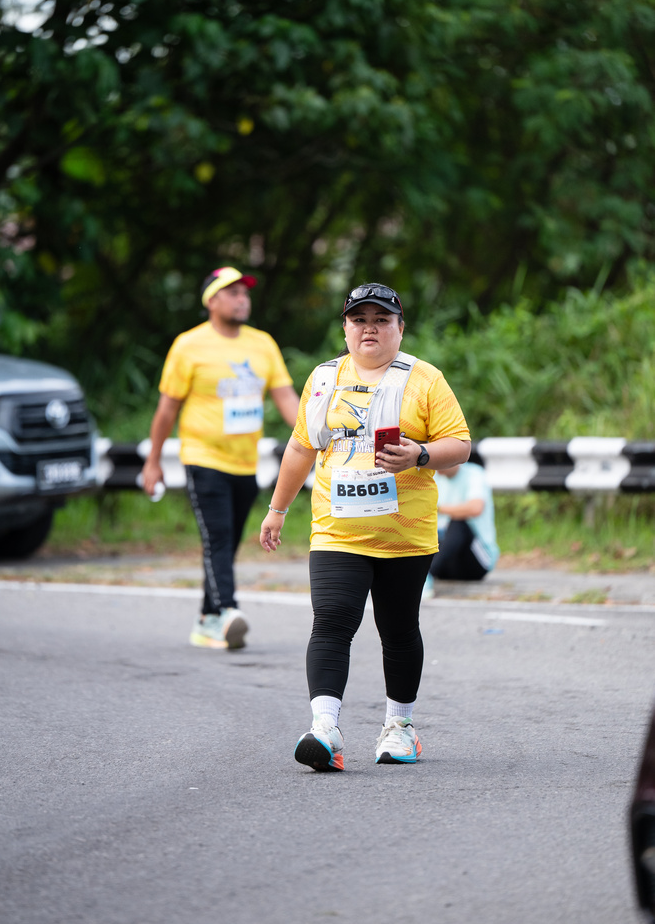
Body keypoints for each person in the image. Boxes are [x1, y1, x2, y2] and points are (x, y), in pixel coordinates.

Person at [259, 283, 471, 771]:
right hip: (337, 531)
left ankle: (400, 727)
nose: (369, 328)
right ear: (345, 328)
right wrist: (277, 509)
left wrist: (420, 454)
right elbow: (300, 447)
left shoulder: (425, 379)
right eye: (359, 319)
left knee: (398, 630)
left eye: (381, 320)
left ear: (400, 328)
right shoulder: (324, 378)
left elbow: (459, 445)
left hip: (405, 535)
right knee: (332, 620)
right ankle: (325, 729)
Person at [142, 266, 299, 650]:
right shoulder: (189, 345)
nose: (242, 299)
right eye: (233, 293)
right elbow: (167, 409)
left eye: (245, 293)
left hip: (245, 462)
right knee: (219, 538)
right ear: (211, 300)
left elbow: (286, 398)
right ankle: (228, 611)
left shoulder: (263, 344)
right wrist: (153, 460)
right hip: (203, 457)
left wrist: (317, 437)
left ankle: (207, 619)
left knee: (226, 543)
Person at [425, 461, 499, 593]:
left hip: (476, 562)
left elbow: (475, 508)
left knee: (458, 523)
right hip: (447, 564)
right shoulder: (433, 476)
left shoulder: (474, 474)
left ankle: (427, 576)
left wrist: (436, 508)